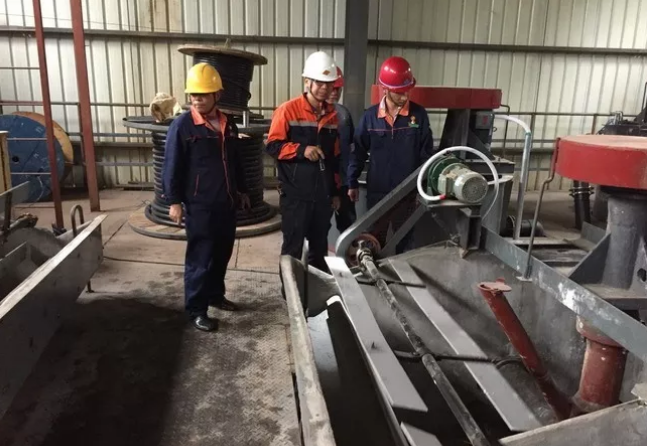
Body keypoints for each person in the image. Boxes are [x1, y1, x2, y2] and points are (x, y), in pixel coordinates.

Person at [162, 62, 250, 332]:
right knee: (200, 258)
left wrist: (242, 190)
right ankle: (196, 309)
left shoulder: (227, 123)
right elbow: (172, 165)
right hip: (200, 205)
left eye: (202, 94)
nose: (197, 99)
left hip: (226, 203)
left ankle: (215, 296)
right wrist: (174, 201)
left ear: (217, 95)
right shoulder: (182, 126)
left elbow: (235, 160)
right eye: (193, 94)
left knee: (222, 254)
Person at [347, 56, 434, 254]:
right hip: (378, 193)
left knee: (405, 242)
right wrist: (351, 182)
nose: (404, 96)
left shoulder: (418, 116)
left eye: (407, 90)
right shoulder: (370, 117)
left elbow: (426, 154)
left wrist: (422, 188)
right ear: (385, 89)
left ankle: (402, 273)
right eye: (399, 92)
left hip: (408, 194)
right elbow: (357, 151)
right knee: (374, 241)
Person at [266, 51, 341, 271]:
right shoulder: (287, 111)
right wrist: (301, 150)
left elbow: (334, 158)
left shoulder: (332, 116)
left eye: (329, 83)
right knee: (292, 250)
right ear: (307, 81)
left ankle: (317, 290)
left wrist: (335, 192)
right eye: (319, 82)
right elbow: (272, 146)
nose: (325, 88)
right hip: (295, 197)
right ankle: (290, 290)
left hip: (322, 198)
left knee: (319, 251)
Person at [328, 66, 356, 233]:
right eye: (332, 88)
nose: (335, 92)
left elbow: (351, 149)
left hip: (344, 182)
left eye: (338, 89)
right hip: (322, 185)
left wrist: (351, 181)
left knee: (349, 229)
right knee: (317, 231)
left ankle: (348, 250)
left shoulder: (344, 115)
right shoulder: (311, 117)